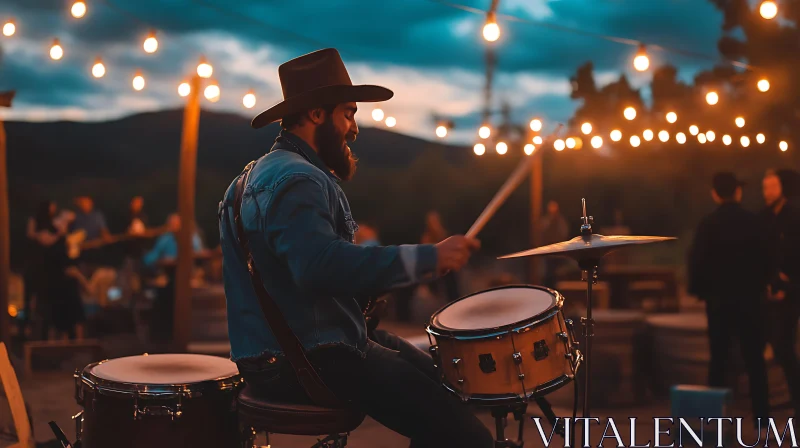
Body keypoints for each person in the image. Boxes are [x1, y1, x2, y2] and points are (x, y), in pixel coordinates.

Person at [218, 49, 492, 447]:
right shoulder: (298, 178)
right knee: (465, 434)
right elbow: (318, 266)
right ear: (315, 114)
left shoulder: (251, 176)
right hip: (308, 358)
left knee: (445, 382)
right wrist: (428, 257)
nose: (354, 127)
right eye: (348, 113)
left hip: (281, 352)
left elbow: (291, 276)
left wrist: (371, 285)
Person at [688, 172, 770, 427]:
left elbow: (696, 262)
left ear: (715, 194)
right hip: (750, 301)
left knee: (719, 360)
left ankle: (716, 419)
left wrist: (702, 293)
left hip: (719, 302)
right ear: (738, 192)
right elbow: (767, 258)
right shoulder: (754, 221)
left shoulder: (708, 223)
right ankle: (761, 420)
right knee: (755, 360)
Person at [760, 169, 800, 417]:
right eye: (765, 187)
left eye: (772, 187)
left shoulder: (794, 216)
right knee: (776, 346)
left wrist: (788, 282)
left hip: (791, 290)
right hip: (767, 290)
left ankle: (796, 399)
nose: (768, 193)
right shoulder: (763, 217)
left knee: (784, 345)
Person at [421, 211, 460, 302]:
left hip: (449, 268)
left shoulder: (443, 234)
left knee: (453, 291)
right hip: (436, 270)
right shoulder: (427, 237)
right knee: (440, 296)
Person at [540, 200, 569, 288]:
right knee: (548, 274)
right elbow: (541, 232)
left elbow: (564, 233)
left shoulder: (560, 221)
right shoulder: (546, 220)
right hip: (548, 253)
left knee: (557, 274)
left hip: (558, 253)